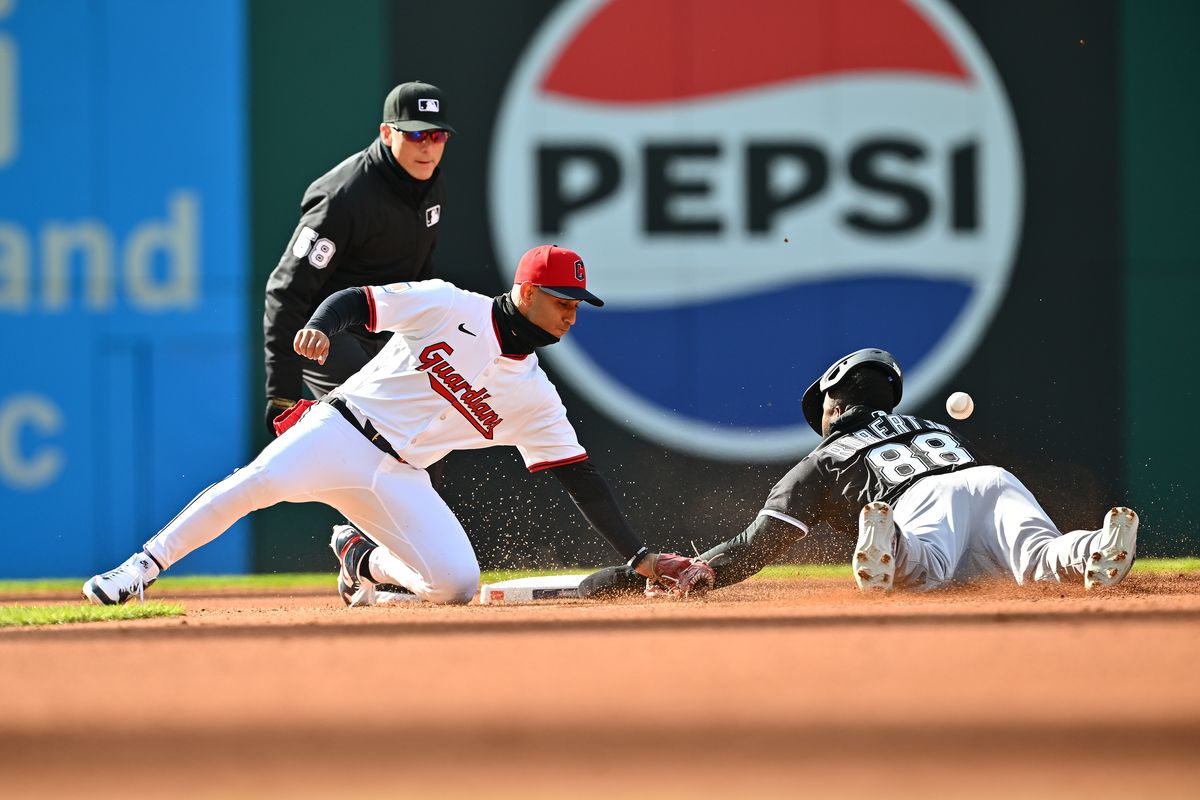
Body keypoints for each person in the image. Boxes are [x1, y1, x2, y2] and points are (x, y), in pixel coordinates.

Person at [82, 246, 713, 607]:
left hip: (402, 476)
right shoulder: (448, 303)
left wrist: (636, 556)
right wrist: (322, 329)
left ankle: (363, 560)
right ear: (524, 292)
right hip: (341, 432)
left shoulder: (535, 397)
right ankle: (139, 568)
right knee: (255, 484)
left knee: (458, 587)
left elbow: (582, 479)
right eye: (561, 300)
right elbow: (357, 301)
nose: (571, 314)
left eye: (577, 303)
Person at [579, 348, 1139, 598]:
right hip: (990, 477)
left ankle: (887, 542)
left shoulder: (822, 458)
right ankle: (1093, 548)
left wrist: (702, 572)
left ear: (832, 401)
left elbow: (759, 543)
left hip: (914, 502)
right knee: (1040, 558)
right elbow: (965, 494)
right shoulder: (928, 427)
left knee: (926, 570)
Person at [263, 79, 453, 432]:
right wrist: (283, 394)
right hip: (328, 331)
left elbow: (419, 278)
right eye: (414, 134)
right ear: (386, 133)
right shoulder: (344, 197)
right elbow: (286, 291)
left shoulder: (430, 185)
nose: (426, 147)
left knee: (425, 432)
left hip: (385, 327)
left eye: (436, 136)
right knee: (375, 425)